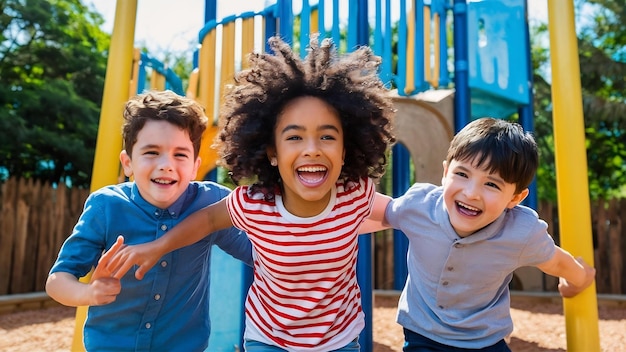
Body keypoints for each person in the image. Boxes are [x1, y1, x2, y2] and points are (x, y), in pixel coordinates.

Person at [105, 35, 396, 352]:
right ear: (272, 151)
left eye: (327, 136)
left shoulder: (354, 196)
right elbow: (207, 221)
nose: (311, 150)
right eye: (294, 137)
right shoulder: (254, 204)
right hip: (269, 339)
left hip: (337, 340)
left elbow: (399, 213)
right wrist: (158, 246)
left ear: (344, 150)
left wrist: (446, 209)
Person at [45, 90, 253, 351]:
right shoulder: (106, 206)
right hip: (112, 346)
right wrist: (88, 294)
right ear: (128, 163)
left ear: (195, 167)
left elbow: (258, 254)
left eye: (180, 155)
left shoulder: (212, 205)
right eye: (152, 152)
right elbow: (58, 280)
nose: (166, 164)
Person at [367, 117, 596, 351]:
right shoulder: (420, 206)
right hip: (423, 334)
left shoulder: (520, 231)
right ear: (446, 173)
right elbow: (374, 209)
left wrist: (579, 279)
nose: (471, 193)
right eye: (462, 174)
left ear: (515, 198)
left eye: (492, 185)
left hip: (484, 341)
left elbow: (556, 261)